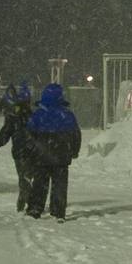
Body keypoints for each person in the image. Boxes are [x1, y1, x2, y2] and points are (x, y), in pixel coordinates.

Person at [25, 83, 81, 221]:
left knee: (40, 183)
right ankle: (58, 211)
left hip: (41, 155)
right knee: (60, 184)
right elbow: (76, 135)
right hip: (61, 156)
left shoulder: (38, 115)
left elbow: (29, 136)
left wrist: (29, 152)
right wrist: (74, 151)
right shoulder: (67, 115)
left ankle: (35, 209)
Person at [0, 83, 35, 211]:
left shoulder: (13, 117)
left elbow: (6, 132)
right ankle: (27, 199)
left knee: (23, 176)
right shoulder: (34, 116)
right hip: (32, 150)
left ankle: (24, 199)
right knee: (28, 176)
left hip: (19, 150)